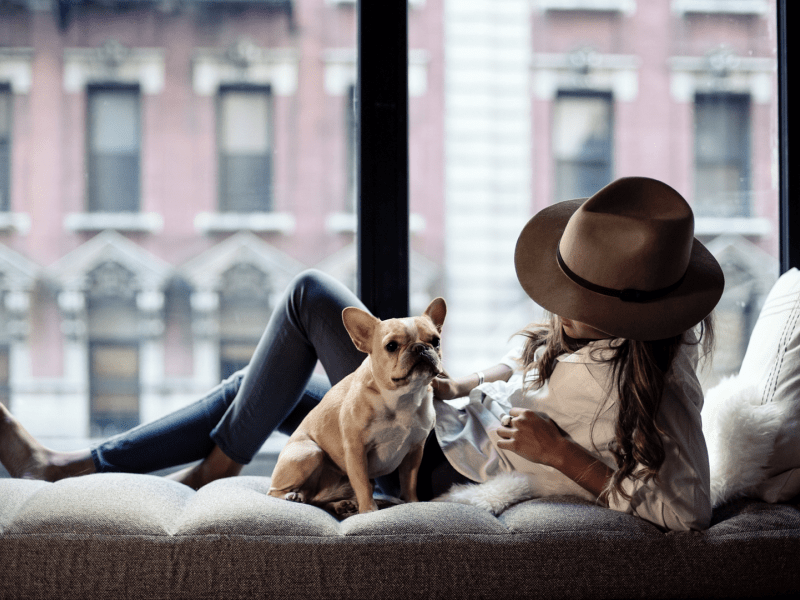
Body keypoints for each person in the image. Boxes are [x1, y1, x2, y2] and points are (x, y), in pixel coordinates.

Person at [0, 176, 723, 531]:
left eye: (571, 291)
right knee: (251, 386)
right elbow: (530, 388)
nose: (554, 302)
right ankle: (72, 467)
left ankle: (171, 469)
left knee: (311, 297)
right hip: (447, 416)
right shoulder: (588, 337)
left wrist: (569, 460)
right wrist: (466, 380)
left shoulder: (662, 387)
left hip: (448, 458)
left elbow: (685, 510)